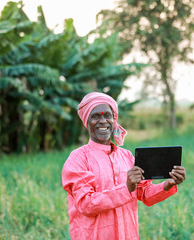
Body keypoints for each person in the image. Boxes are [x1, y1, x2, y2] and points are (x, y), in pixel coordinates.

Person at [62, 92, 186, 240]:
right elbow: (86, 204)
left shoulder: (126, 156)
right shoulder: (78, 158)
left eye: (107, 115)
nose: (103, 121)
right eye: (95, 116)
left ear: (114, 120)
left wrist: (167, 184)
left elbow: (144, 193)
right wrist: (126, 188)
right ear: (86, 121)